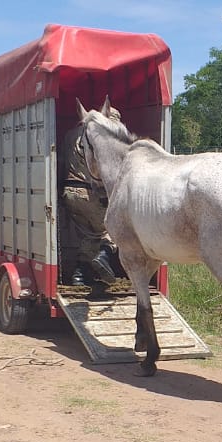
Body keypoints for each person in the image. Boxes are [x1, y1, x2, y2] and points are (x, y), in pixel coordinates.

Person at [61, 105, 123, 298]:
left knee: (90, 235)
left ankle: (79, 275)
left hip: (69, 193)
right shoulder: (100, 138)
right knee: (114, 229)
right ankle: (103, 258)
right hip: (90, 194)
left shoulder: (70, 134)